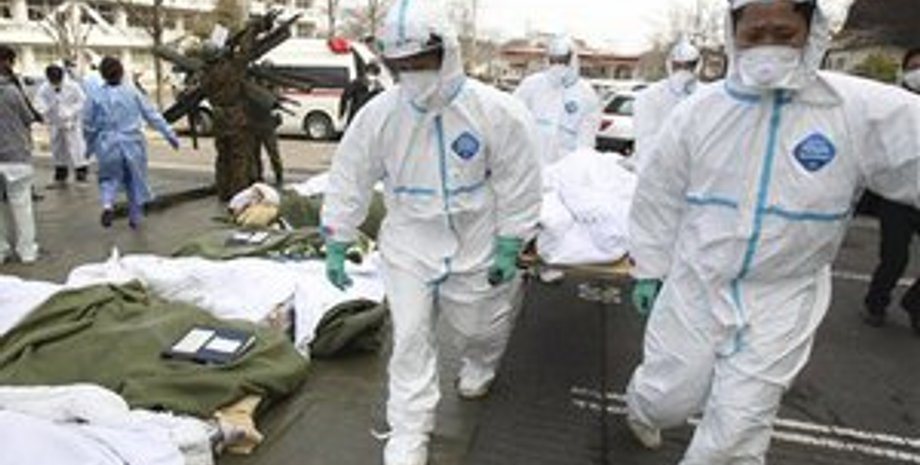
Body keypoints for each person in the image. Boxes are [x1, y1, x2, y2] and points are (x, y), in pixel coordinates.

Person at [625, 1, 920, 463]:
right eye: (754, 34)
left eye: (783, 34)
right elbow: (658, 195)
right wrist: (649, 266)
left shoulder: (854, 110)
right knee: (668, 398)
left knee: (737, 428)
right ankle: (642, 410)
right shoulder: (699, 113)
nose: (768, 45)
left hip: (785, 295)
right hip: (698, 283)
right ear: (733, 33)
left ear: (811, 31)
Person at [320, 2, 542, 464]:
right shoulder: (379, 115)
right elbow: (350, 174)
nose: (413, 74)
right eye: (402, 65)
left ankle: (481, 360)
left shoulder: (496, 111)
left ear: (448, 52)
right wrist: (339, 236)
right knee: (410, 336)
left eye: (422, 62)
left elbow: (519, 178)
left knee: (478, 326)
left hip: (475, 233)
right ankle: (409, 430)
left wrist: (511, 239)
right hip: (409, 237)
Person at [83, 56, 179, 229]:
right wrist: (170, 135)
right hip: (132, 142)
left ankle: (107, 205)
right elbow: (152, 115)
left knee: (108, 179)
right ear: (121, 72)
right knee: (134, 180)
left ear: (102, 74)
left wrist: (88, 148)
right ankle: (135, 218)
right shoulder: (132, 92)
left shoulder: (95, 95)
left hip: (107, 144)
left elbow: (88, 124)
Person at [863, 47, 920, 334]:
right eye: (915, 66)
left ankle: (915, 304)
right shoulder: (890, 104)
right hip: (896, 197)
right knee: (895, 258)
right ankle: (876, 303)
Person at [513, 35, 602, 168]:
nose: (558, 65)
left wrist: (577, 166)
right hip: (531, 163)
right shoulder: (531, 85)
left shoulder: (586, 93)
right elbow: (514, 117)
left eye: (563, 60)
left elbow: (587, 138)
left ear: (572, 59)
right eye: (554, 60)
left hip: (566, 166)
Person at [632, 38, 701, 172]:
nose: (683, 72)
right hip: (658, 170)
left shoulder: (707, 96)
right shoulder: (649, 96)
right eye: (678, 66)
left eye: (689, 66)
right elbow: (645, 140)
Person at [0, 45, 39, 264]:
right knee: (22, 206)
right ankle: (27, 251)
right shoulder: (12, 91)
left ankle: (1, 251)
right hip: (16, 157)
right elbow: (28, 117)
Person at [35, 64, 89, 187]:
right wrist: (45, 109)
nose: (55, 83)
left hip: (72, 122)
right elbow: (39, 101)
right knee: (58, 148)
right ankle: (61, 175)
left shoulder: (73, 86)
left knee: (76, 147)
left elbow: (82, 101)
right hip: (56, 122)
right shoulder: (44, 88)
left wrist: (71, 111)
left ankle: (81, 173)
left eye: (56, 80)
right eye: (52, 80)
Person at [339, 61, 384, 126]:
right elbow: (345, 97)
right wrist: (342, 113)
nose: (372, 76)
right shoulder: (356, 84)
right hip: (356, 115)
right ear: (366, 73)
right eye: (370, 73)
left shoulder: (379, 88)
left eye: (374, 74)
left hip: (371, 118)